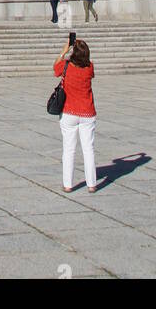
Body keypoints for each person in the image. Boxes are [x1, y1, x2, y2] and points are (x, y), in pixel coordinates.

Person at [54, 36, 97, 193]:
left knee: (69, 149)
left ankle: (68, 184)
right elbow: (87, 69)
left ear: (73, 53)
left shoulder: (65, 66)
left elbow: (55, 69)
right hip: (87, 112)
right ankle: (91, 184)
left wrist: (64, 51)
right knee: (88, 149)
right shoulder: (89, 67)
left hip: (69, 112)